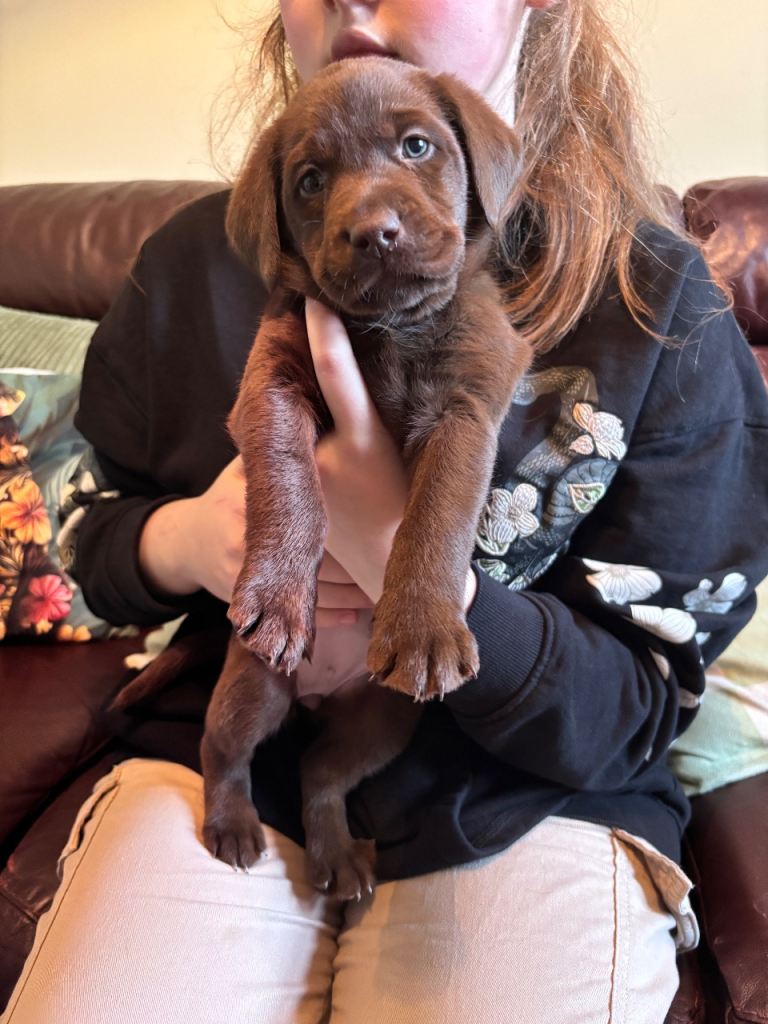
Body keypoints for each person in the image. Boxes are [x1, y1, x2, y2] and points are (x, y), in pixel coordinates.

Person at [4, 1, 767, 1022]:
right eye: (317, 183)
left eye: (417, 149)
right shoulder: (191, 265)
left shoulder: (657, 301)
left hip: (528, 796)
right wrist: (194, 538)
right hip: (236, 756)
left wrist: (413, 566)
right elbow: (85, 539)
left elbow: (639, 701)